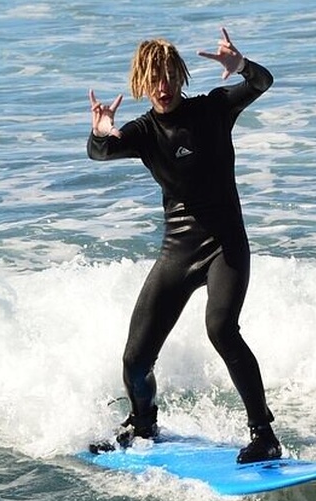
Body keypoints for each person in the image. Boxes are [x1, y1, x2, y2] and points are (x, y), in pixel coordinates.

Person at [86, 28, 281, 464]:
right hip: (178, 248)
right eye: (153, 79)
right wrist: (101, 132)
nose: (163, 87)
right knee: (135, 358)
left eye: (169, 76)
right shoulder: (144, 131)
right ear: (141, 83)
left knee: (221, 329)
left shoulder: (212, 109)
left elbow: (261, 83)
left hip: (225, 246)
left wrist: (242, 66)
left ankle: (263, 433)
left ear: (180, 76)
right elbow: (99, 154)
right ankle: (143, 424)